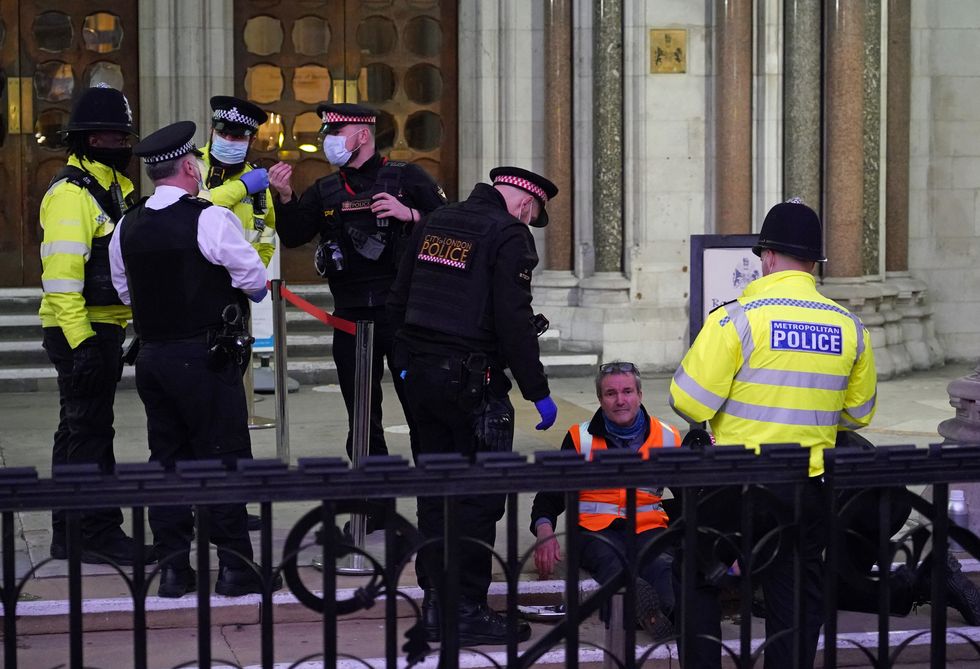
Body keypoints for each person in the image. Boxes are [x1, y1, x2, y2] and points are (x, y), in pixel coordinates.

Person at [668, 198, 878, 669]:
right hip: (807, 488)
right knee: (796, 598)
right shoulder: (850, 327)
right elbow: (859, 413)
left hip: (734, 487)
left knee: (695, 575)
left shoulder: (735, 318)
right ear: (813, 262)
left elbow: (688, 401)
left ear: (765, 257)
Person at [387, 166, 560, 645]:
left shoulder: (436, 220)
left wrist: (404, 363)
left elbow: (398, 300)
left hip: (419, 376)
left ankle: (438, 603)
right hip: (471, 385)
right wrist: (537, 390)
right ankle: (465, 609)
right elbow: (514, 319)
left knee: (435, 491)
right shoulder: (508, 234)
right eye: (532, 212)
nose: (528, 218)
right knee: (479, 500)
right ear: (526, 202)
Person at [108, 121, 281, 598]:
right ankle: (234, 567)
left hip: (154, 357)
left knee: (167, 460)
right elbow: (254, 281)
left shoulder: (129, 222)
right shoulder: (207, 218)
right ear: (190, 166)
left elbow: (125, 290)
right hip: (204, 356)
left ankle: (173, 569)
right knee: (224, 456)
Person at [275, 102, 448, 465]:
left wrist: (411, 214)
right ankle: (371, 513)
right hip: (350, 318)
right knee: (363, 419)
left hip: (403, 317)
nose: (329, 143)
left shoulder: (407, 177)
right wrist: (286, 197)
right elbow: (293, 235)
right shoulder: (325, 189)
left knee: (423, 412)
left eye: (335, 134)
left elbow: (450, 226)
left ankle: (434, 512)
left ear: (362, 135)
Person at [39, 84, 154, 565]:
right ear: (82, 141)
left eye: (122, 138)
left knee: (79, 430)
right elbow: (61, 279)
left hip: (104, 328)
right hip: (80, 329)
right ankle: (95, 532)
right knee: (90, 432)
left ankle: (70, 533)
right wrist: (83, 343)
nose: (118, 147)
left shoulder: (117, 189)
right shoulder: (71, 195)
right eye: (105, 139)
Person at [530, 361, 680, 641]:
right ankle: (638, 600)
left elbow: (687, 496)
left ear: (640, 395)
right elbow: (550, 494)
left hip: (649, 528)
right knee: (612, 564)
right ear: (600, 399)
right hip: (593, 532)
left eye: (627, 391)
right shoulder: (579, 437)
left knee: (663, 567)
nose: (620, 400)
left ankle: (658, 613)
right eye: (611, 394)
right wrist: (544, 530)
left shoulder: (668, 437)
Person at [198, 95, 285, 266]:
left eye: (237, 137)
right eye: (222, 133)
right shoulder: (190, 166)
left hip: (239, 285)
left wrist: (255, 275)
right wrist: (242, 187)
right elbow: (191, 209)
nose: (228, 141)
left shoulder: (257, 179)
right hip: (197, 282)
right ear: (211, 131)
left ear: (252, 140)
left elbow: (267, 234)